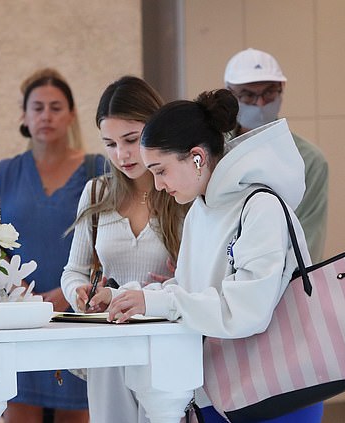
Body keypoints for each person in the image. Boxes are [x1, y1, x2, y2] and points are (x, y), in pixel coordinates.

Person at [97, 89, 323, 422]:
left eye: (161, 170)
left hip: (278, 390)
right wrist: (128, 298)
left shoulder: (260, 205)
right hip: (222, 388)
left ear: (197, 157)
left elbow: (247, 310)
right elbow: (190, 290)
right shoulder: (201, 209)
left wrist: (159, 303)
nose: (158, 185)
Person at [61, 76, 189, 423]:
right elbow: (72, 271)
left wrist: (172, 284)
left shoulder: (182, 193)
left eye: (131, 140)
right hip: (110, 345)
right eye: (111, 144)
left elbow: (200, 278)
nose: (122, 155)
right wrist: (80, 293)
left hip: (166, 341)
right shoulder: (97, 192)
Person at [0, 68, 105, 423]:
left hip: (76, 316)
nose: (46, 115)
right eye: (37, 107)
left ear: (70, 115)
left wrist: (64, 294)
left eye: (56, 107)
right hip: (18, 319)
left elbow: (110, 240)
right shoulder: (4, 173)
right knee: (17, 411)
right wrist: (19, 294)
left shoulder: (97, 168)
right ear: (24, 116)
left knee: (77, 413)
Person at [224, 47, 328, 262]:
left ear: (282, 89)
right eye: (248, 95)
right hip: (218, 278)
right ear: (229, 94)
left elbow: (307, 243)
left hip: (285, 281)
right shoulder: (215, 152)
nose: (260, 103)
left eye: (269, 92)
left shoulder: (309, 160)